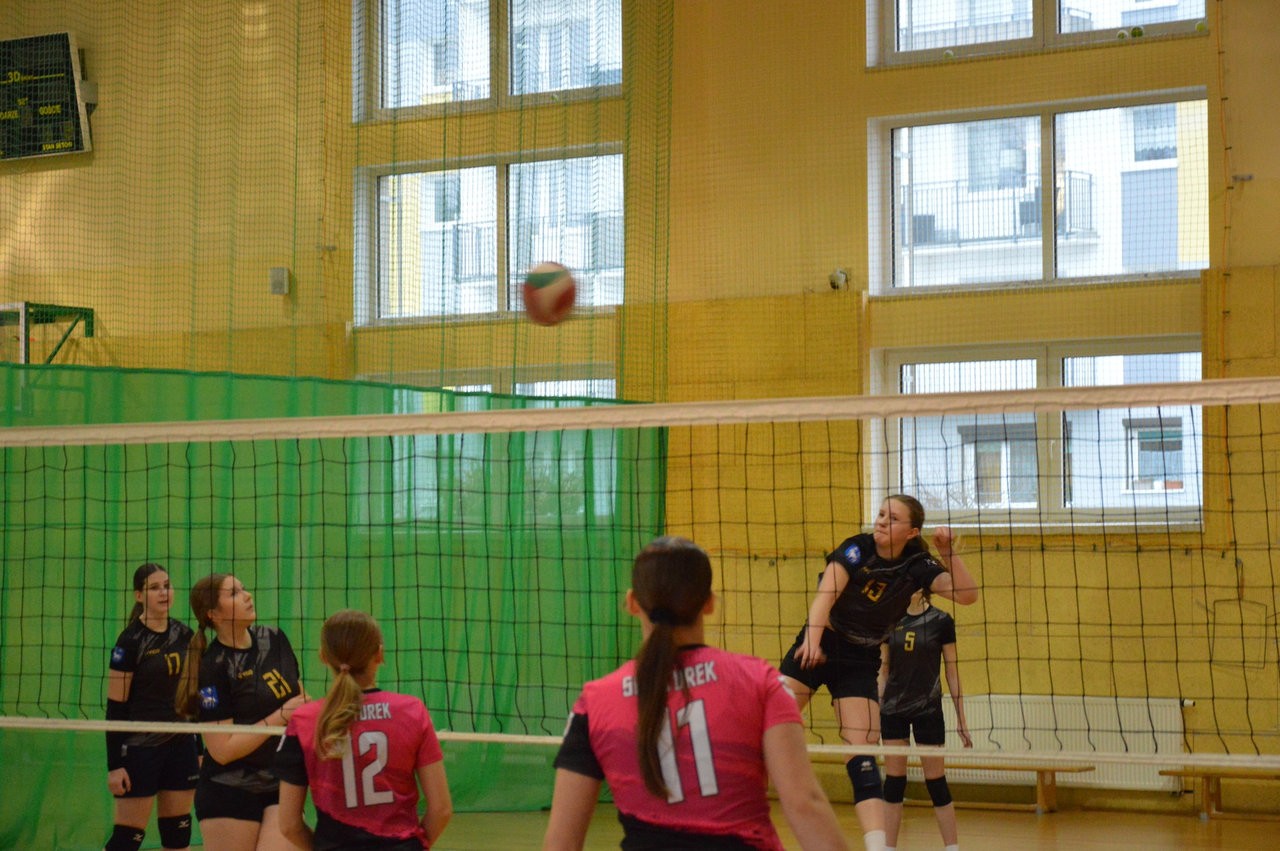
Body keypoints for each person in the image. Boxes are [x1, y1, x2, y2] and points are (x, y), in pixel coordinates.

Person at [543, 536, 850, 851]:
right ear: (709, 602)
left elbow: (561, 843)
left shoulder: (594, 701)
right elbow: (804, 804)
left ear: (633, 603)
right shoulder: (760, 682)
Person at [777, 494, 979, 851]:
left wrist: (948, 553)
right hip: (821, 643)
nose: (882, 521)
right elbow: (826, 595)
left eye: (893, 518)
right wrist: (811, 640)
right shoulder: (857, 549)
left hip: (859, 658)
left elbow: (966, 595)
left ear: (912, 531)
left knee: (862, 752)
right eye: (882, 513)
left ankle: (877, 846)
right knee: (771, 724)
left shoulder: (917, 563)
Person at [275, 609, 453, 850]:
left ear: (323, 657)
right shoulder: (412, 711)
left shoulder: (304, 720)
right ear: (379, 654)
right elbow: (441, 809)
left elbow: (288, 824)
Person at [175, 573, 307, 851]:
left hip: (278, 782)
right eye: (234, 593)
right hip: (229, 789)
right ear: (213, 614)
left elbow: (300, 699)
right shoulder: (213, 666)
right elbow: (222, 750)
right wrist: (280, 716)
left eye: (244, 589)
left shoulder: (274, 638)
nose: (247, 595)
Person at [104, 563, 200, 851]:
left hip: (181, 745)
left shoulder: (185, 635)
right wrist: (115, 765)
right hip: (141, 748)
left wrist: (200, 749)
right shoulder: (130, 641)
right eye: (154, 588)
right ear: (139, 596)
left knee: (178, 835)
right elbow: (116, 707)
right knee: (127, 839)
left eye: (167, 586)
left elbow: (192, 698)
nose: (163, 592)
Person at [878, 588, 972, 851]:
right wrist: (875, 713)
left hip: (928, 710)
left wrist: (961, 718)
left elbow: (952, 672)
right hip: (893, 710)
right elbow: (883, 670)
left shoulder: (942, 621)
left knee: (936, 782)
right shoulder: (889, 620)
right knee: (894, 783)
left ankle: (952, 848)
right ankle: (888, 848)